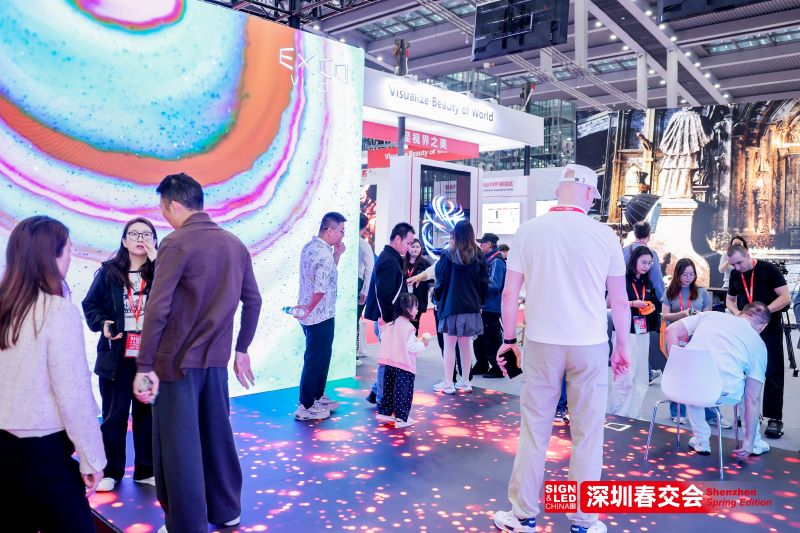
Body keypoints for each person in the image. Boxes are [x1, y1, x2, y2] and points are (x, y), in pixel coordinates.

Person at [493, 164, 631, 533]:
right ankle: (584, 521)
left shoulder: (528, 231)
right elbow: (620, 301)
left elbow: (509, 294)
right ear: (588, 194)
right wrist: (622, 347)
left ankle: (523, 514)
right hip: (590, 345)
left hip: (541, 343)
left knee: (534, 430)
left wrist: (509, 341)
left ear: (558, 191)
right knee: (587, 434)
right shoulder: (604, 235)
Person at [133, 173, 262, 533]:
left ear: (174, 205)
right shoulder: (234, 244)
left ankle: (186, 524)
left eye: (163, 209)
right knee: (217, 435)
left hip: (175, 364)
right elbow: (253, 300)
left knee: (178, 448)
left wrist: (144, 363)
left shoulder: (176, 244)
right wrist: (242, 349)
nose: (163, 216)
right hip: (216, 363)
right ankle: (226, 509)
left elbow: (158, 307)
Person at [0, 216, 106, 532]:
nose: (71, 258)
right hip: (43, 455)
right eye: (69, 251)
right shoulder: (58, 312)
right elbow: (73, 394)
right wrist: (92, 459)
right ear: (52, 256)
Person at [82, 217, 158, 492]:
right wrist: (103, 324)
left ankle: (146, 470)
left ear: (154, 241)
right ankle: (111, 470)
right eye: (134, 234)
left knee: (146, 414)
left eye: (146, 234)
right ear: (124, 241)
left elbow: (175, 301)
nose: (140, 239)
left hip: (148, 355)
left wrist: (159, 264)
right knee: (114, 414)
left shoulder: (162, 272)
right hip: (116, 353)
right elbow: (90, 305)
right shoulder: (109, 272)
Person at [663, 303, 771, 456]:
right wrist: (749, 440)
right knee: (748, 391)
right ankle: (753, 442)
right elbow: (752, 398)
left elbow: (670, 330)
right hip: (721, 394)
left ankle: (701, 440)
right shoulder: (758, 344)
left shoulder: (710, 315)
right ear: (763, 326)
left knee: (692, 378)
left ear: (741, 313)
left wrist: (676, 365)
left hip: (680, 388)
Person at [726, 244, 790, 439]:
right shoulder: (735, 275)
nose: (737, 267)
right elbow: (730, 300)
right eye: (733, 264)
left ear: (748, 255)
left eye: (739, 262)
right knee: (745, 371)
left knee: (773, 372)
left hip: (770, 329)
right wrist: (739, 314)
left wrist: (764, 313)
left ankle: (774, 418)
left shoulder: (769, 269)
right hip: (746, 331)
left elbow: (785, 297)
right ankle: (750, 412)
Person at [293, 212, 347, 421]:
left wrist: (337, 255)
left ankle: (317, 396)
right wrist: (310, 308)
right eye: (341, 231)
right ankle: (306, 405)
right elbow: (320, 288)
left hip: (313, 314)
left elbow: (324, 275)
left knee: (321, 356)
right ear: (330, 230)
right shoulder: (323, 254)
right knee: (315, 359)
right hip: (319, 315)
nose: (342, 235)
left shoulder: (310, 247)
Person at [660, 258, 720, 426]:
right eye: (685, 274)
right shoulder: (670, 292)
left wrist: (697, 315)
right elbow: (665, 316)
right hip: (676, 338)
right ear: (677, 274)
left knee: (703, 374)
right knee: (677, 373)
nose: (688, 278)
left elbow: (708, 316)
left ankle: (711, 414)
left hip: (697, 338)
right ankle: (677, 412)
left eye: (691, 274)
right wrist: (682, 314)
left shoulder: (702, 292)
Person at [433, 220, 488, 395]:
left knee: (449, 346)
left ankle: (449, 383)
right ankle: (465, 382)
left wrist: (436, 299)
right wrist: (481, 303)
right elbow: (484, 283)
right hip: (471, 306)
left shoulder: (447, 255)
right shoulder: (479, 255)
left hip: (451, 305)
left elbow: (440, 280)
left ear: (455, 234)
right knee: (466, 345)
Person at [364, 222, 416, 404]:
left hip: (388, 319)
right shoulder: (388, 260)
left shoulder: (391, 257)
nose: (409, 247)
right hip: (386, 320)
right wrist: (387, 321)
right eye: (408, 243)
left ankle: (377, 393)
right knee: (387, 361)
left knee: (390, 359)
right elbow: (383, 295)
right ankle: (380, 397)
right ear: (397, 239)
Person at [610, 246, 660, 419]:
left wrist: (650, 306)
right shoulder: (622, 279)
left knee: (640, 377)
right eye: (643, 262)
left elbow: (652, 301)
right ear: (635, 261)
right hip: (625, 332)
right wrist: (632, 304)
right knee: (624, 375)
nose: (646, 266)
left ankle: (635, 415)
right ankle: (619, 415)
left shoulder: (648, 282)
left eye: (649, 263)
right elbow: (610, 302)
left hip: (643, 331)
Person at [376, 293, 429, 428]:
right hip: (404, 367)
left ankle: (385, 412)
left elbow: (383, 337)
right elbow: (411, 347)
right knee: (402, 394)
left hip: (388, 364)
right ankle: (401, 418)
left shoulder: (390, 324)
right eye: (415, 307)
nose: (417, 310)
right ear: (407, 309)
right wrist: (423, 344)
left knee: (388, 390)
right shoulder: (409, 328)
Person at [474, 232, 507, 378]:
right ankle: (481, 364)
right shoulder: (488, 259)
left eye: (482, 243)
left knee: (492, 337)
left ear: (488, 244)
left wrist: (476, 286)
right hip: (484, 304)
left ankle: (498, 367)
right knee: (480, 336)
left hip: (491, 306)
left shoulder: (496, 261)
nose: (480, 246)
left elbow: (494, 284)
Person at [622, 220, 665, 300]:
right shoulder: (651, 254)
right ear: (649, 234)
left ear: (634, 233)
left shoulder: (623, 251)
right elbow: (657, 280)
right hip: (642, 298)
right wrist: (662, 299)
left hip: (622, 295)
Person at [403, 238, 432, 334]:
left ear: (420, 248)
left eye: (417, 247)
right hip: (403, 299)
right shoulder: (401, 261)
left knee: (414, 324)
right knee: (403, 324)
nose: (415, 249)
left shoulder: (426, 264)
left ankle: (413, 341)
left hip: (418, 298)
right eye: (413, 247)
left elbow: (430, 281)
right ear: (408, 248)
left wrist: (432, 291)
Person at [357, 214, 374, 362]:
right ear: (364, 228)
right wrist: (365, 291)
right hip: (357, 284)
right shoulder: (363, 244)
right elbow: (369, 269)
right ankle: (353, 355)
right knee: (354, 320)